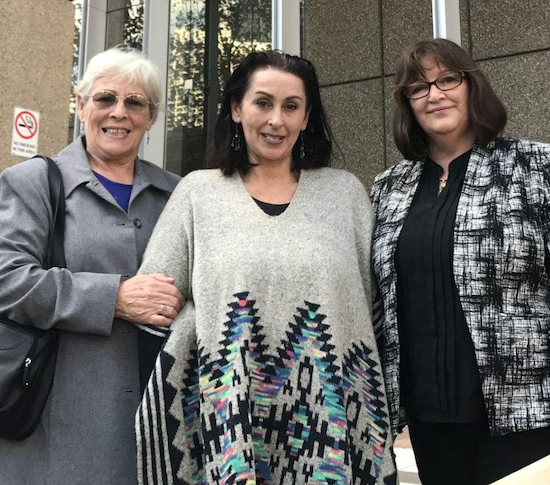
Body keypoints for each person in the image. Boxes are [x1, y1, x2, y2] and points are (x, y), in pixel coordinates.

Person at [134, 50, 398, 484]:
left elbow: (371, 308)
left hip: (330, 426)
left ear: (307, 117)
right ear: (237, 109)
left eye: (291, 107)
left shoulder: (345, 195)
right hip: (227, 426)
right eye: (263, 103)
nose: (276, 120)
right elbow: (154, 302)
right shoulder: (198, 194)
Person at [371, 38, 550, 485]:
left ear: (472, 86)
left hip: (525, 418)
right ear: (407, 104)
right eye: (418, 87)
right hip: (431, 422)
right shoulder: (389, 188)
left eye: (447, 79)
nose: (434, 94)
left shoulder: (530, 164)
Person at [0, 46, 184, 484]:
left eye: (135, 103)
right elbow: (6, 282)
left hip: (156, 423)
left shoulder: (178, 194)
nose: (119, 113)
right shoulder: (34, 181)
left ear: (150, 117)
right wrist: (115, 298)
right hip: (50, 427)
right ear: (81, 104)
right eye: (106, 98)